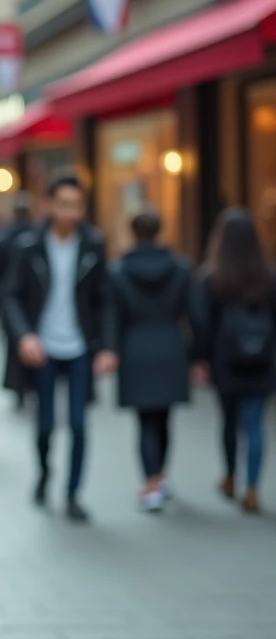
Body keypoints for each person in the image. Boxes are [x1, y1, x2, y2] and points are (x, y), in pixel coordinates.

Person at [4, 173, 117, 523]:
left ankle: (72, 494)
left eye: (78, 206)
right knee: (46, 424)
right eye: (64, 204)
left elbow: (105, 300)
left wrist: (108, 347)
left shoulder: (93, 244)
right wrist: (25, 335)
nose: (71, 212)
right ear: (49, 205)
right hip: (44, 348)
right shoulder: (28, 246)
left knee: (81, 424)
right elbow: (10, 296)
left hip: (81, 347)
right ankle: (44, 472)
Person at [192, 208, 276, 515]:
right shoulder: (268, 276)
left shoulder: (212, 278)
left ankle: (231, 477)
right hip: (263, 362)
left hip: (225, 361)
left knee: (229, 422)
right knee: (254, 425)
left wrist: (200, 359)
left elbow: (202, 323)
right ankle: (253, 488)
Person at [109, 208, 192, 512]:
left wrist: (111, 351)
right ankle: (160, 477)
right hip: (170, 346)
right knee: (164, 417)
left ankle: (151, 481)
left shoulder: (118, 270)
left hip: (136, 349)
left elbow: (113, 317)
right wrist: (196, 356)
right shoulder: (180, 268)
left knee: (145, 422)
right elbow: (192, 314)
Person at [0, 194, 36, 411]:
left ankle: (19, 388)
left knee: (14, 344)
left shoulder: (4, 237)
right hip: (32, 301)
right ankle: (32, 385)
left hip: (10, 300)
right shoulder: (35, 237)